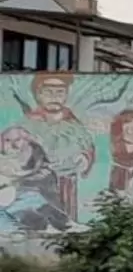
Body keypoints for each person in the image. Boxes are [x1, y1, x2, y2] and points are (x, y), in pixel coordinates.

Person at [22, 71, 96, 225]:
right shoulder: (28, 123)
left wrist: (84, 159)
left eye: (60, 92)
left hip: (66, 181)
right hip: (38, 183)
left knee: (66, 217)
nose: (54, 97)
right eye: (49, 92)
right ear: (39, 94)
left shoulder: (74, 123)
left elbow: (88, 147)